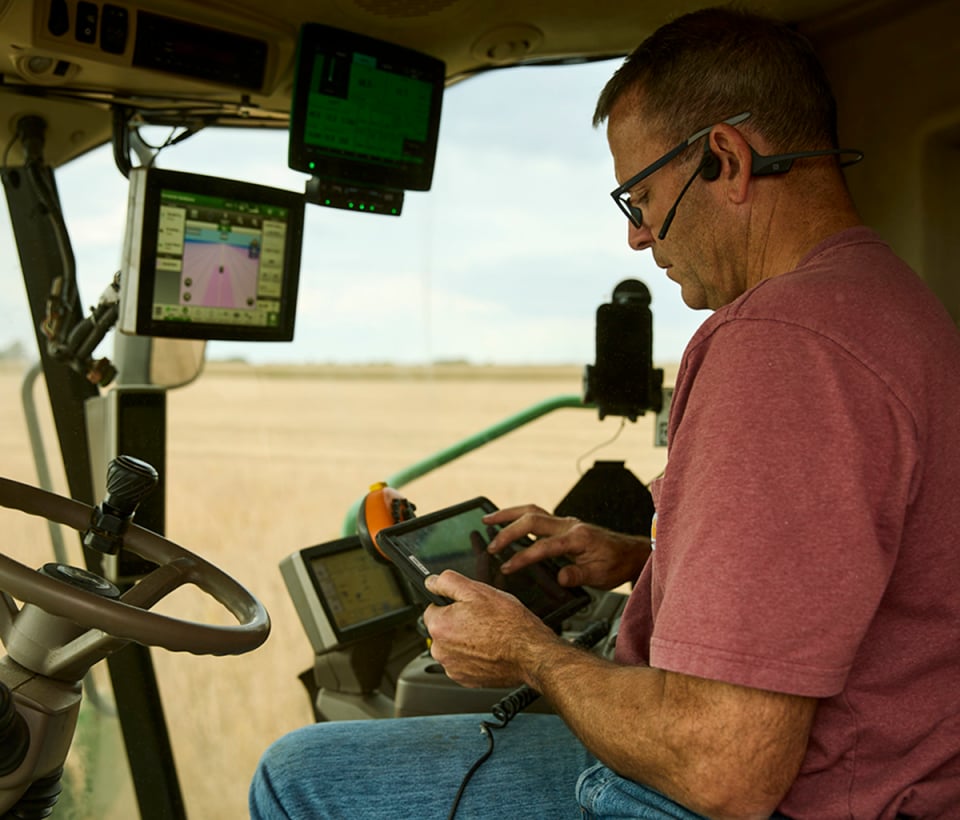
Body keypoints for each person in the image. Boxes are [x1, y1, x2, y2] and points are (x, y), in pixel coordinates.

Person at [250, 8, 960, 818]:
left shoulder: (780, 342)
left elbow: (724, 766)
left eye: (641, 195)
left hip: (806, 797)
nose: (637, 237)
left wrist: (529, 652)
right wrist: (641, 557)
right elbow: (835, 566)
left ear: (725, 159)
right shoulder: (890, 300)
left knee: (297, 776)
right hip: (898, 770)